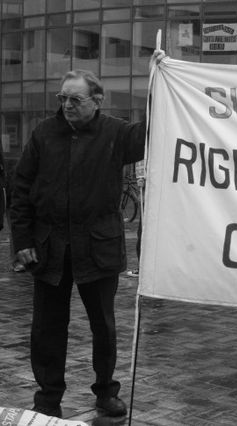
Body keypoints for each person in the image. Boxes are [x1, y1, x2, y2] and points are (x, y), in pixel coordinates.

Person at [10, 50, 165, 418]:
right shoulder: (44, 133)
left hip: (98, 248)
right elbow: (22, 189)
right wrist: (23, 241)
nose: (66, 105)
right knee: (47, 329)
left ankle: (106, 391)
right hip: (49, 248)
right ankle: (48, 398)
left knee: (103, 326)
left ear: (97, 100)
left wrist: (160, 81)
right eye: (62, 98)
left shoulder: (116, 133)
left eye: (75, 99)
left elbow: (155, 129)